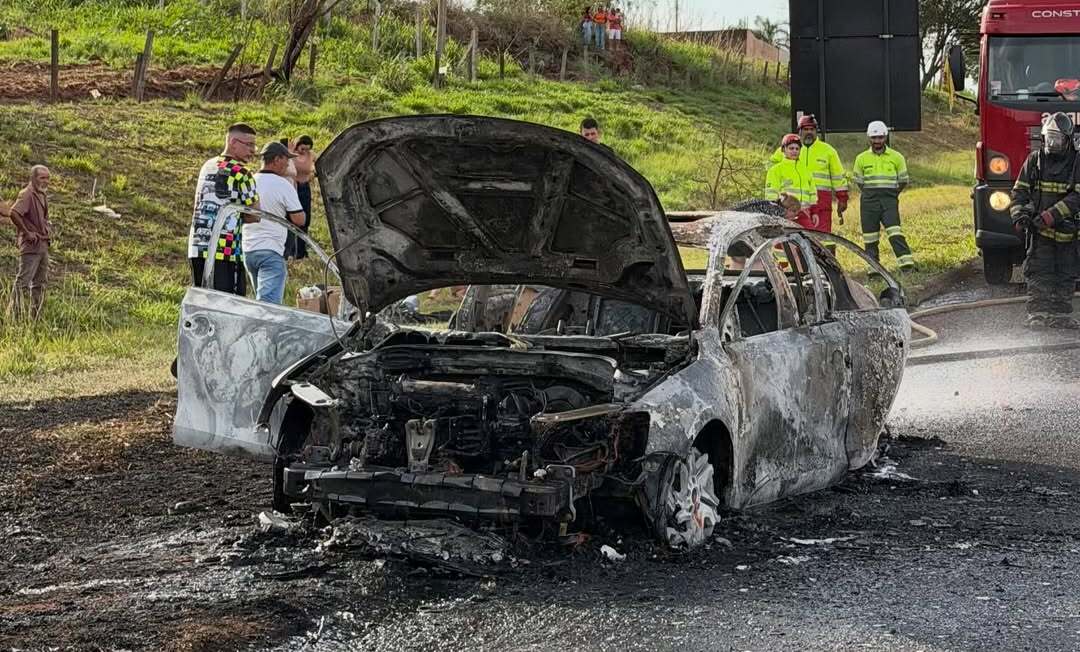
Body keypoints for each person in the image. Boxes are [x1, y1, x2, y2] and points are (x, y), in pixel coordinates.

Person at [1009, 111, 1080, 329]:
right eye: (1050, 139)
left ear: (1068, 140)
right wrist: (1019, 216)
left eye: (1057, 140)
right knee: (1039, 271)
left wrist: (1050, 216)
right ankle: (1037, 314)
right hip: (1041, 233)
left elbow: (1077, 197)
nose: (1053, 144)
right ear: (1043, 138)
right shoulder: (1035, 161)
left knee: (1065, 274)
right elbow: (1019, 192)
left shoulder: (1077, 163)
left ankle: (1061, 316)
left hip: (1068, 232)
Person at [189, 123, 260, 295]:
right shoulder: (242, 172)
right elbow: (255, 214)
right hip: (225, 251)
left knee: (202, 301)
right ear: (233, 142)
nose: (253, 151)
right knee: (229, 305)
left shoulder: (207, 166)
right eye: (249, 145)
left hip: (198, 247)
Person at [769, 114, 848, 245]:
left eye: (812, 129)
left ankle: (826, 265)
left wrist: (842, 198)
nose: (809, 132)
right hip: (790, 204)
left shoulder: (828, 151)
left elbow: (838, 176)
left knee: (823, 239)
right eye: (806, 129)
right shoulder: (788, 147)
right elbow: (772, 170)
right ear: (799, 131)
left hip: (821, 203)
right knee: (788, 240)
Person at [247, 142, 306, 304]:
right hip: (271, 251)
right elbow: (299, 220)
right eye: (286, 159)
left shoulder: (250, 181)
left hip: (248, 250)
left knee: (260, 302)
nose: (288, 163)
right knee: (268, 307)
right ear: (276, 159)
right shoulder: (282, 185)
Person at [852, 120, 915, 271]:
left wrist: (892, 194)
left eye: (880, 137)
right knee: (870, 237)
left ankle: (906, 265)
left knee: (895, 232)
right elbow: (859, 182)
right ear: (869, 138)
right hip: (869, 201)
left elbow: (903, 180)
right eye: (874, 138)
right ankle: (874, 270)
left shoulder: (896, 157)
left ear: (885, 137)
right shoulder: (861, 158)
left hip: (889, 200)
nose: (877, 141)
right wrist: (871, 193)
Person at [2, 165, 53, 319]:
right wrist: (27, 232)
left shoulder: (41, 194)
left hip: (42, 245)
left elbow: (42, 217)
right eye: (42, 178)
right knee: (23, 281)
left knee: (40, 283)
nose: (45, 181)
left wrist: (48, 227)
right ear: (33, 178)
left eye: (47, 178)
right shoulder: (27, 194)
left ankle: (35, 317)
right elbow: (14, 213)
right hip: (31, 245)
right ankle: (12, 317)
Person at [764, 134, 818, 229]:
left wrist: (814, 212)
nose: (794, 151)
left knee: (810, 239)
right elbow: (771, 194)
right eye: (791, 148)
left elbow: (812, 193)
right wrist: (777, 213)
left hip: (803, 213)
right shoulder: (775, 170)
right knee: (785, 242)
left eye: (797, 149)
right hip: (785, 214)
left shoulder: (806, 170)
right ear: (783, 149)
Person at [285, 135, 315, 260]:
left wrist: (312, 175)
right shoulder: (291, 154)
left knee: (305, 219)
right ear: (297, 146)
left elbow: (317, 167)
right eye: (302, 148)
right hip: (293, 187)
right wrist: (290, 152)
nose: (304, 151)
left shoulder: (311, 155)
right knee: (292, 218)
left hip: (305, 187)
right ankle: (291, 250)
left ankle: (302, 251)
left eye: (307, 149)